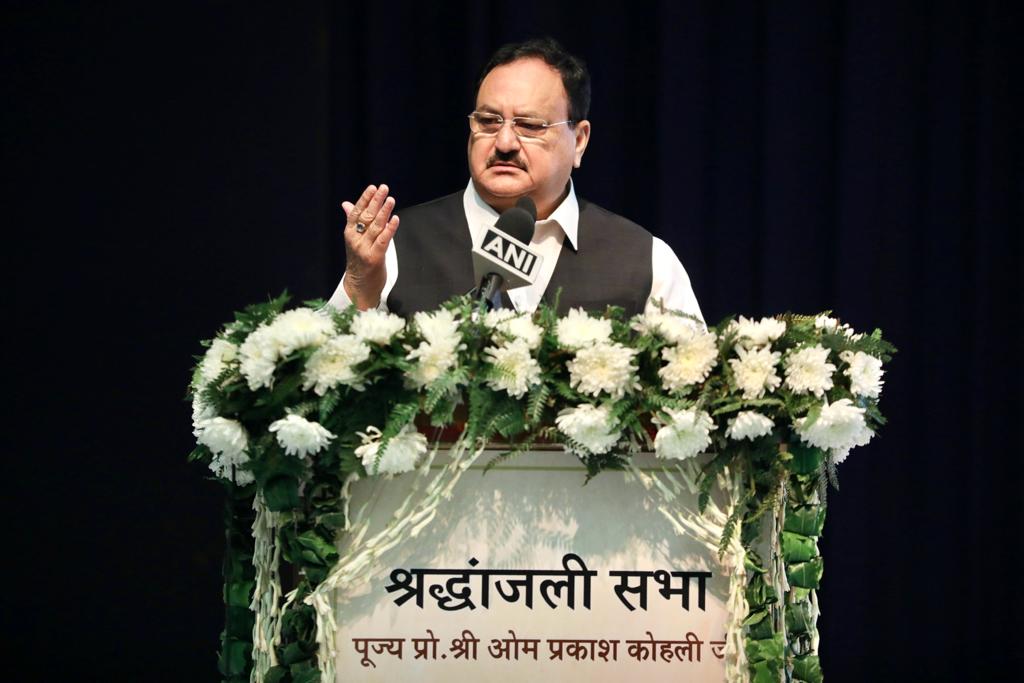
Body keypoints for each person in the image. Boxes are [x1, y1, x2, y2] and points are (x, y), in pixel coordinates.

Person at [328, 37, 702, 321]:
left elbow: (691, 405)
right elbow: (313, 386)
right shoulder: (397, 243)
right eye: (489, 122)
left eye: (529, 125)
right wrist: (359, 287)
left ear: (580, 141)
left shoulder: (644, 260)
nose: (504, 142)